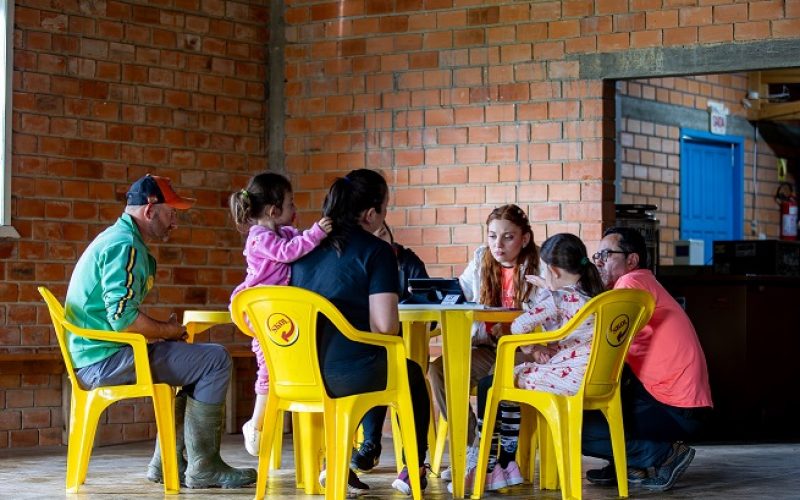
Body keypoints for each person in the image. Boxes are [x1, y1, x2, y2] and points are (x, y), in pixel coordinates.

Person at [65, 174, 256, 489]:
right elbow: (123, 320)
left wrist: (164, 332)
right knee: (215, 359)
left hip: (97, 353)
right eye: (172, 213)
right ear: (150, 210)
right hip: (103, 359)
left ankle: (165, 463)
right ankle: (203, 467)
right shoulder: (124, 246)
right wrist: (167, 330)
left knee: (195, 362)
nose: (175, 222)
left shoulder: (115, 238)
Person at [289, 169, 431, 496]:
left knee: (372, 364)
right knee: (407, 371)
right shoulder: (376, 251)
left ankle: (335, 464)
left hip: (298, 372)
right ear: (371, 214)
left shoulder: (300, 249)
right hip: (346, 375)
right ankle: (413, 468)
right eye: (384, 210)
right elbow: (385, 328)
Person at [468, 233, 605, 492]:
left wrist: (531, 345)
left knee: (493, 383)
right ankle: (505, 465)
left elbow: (519, 326)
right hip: (597, 377)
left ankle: (491, 466)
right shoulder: (596, 295)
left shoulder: (557, 298)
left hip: (567, 378)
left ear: (551, 269)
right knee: (506, 381)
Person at [583, 226, 713, 492]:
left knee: (579, 425)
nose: (599, 261)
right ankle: (627, 462)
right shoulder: (642, 282)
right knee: (609, 393)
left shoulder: (630, 284)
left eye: (606, 254)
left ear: (632, 260)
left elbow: (602, 342)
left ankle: (662, 456)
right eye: (596, 255)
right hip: (678, 404)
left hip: (674, 408)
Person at [428, 204, 540, 484]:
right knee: (439, 371)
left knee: (494, 383)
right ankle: (473, 453)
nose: (497, 244)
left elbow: (545, 315)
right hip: (486, 347)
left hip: (522, 351)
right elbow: (461, 292)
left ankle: (496, 463)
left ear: (524, 238)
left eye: (507, 237)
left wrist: (512, 329)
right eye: (492, 236)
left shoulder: (538, 267)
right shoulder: (481, 259)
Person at [228, 172, 333, 456]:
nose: (295, 210)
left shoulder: (278, 232)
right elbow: (288, 252)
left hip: (279, 315)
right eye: (291, 204)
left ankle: (263, 425)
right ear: (274, 211)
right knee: (267, 368)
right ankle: (256, 425)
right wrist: (316, 233)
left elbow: (293, 240)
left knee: (276, 368)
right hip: (264, 314)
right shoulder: (259, 238)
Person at [350, 221, 430, 472]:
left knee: (397, 370)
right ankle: (371, 445)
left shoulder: (408, 261)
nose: (379, 240)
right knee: (380, 366)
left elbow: (429, 300)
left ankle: (406, 453)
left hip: (408, 342)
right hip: (371, 346)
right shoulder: (362, 260)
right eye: (373, 236)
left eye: (383, 233)